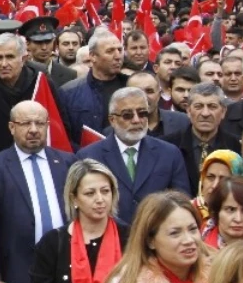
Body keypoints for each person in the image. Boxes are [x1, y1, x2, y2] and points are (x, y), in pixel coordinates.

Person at [0, 100, 76, 283]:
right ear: (12, 127)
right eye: (26, 123)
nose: (34, 129)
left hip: (67, 267)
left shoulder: (67, 161)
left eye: (40, 123)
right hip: (18, 272)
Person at [76, 87, 191, 224]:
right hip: (110, 236)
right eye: (127, 115)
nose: (137, 120)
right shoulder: (89, 156)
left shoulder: (169, 153)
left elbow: (182, 202)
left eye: (142, 113)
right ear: (112, 120)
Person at [164, 82, 240, 192]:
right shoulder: (168, 146)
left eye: (212, 107)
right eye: (198, 107)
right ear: (189, 111)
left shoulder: (236, 147)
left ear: (223, 112)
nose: (205, 113)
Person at [61, 29, 129, 137]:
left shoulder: (131, 87)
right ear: (93, 56)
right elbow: (64, 135)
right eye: (110, 51)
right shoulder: (69, 92)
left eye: (120, 50)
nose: (117, 56)